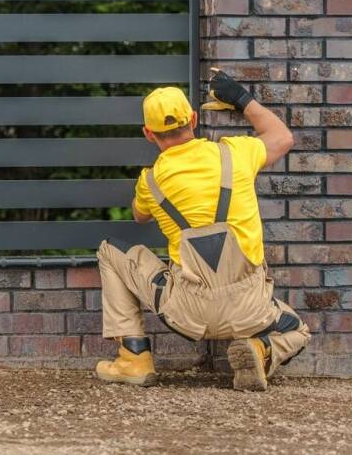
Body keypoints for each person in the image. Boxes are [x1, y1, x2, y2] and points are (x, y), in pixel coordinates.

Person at [94, 70, 310, 391]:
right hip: (250, 311)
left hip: (187, 313)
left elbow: (140, 216)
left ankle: (134, 357)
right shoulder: (235, 153)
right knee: (298, 330)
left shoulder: (150, 181)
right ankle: (260, 348)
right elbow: (282, 137)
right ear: (193, 119)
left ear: (148, 133)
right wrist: (241, 99)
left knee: (110, 251)